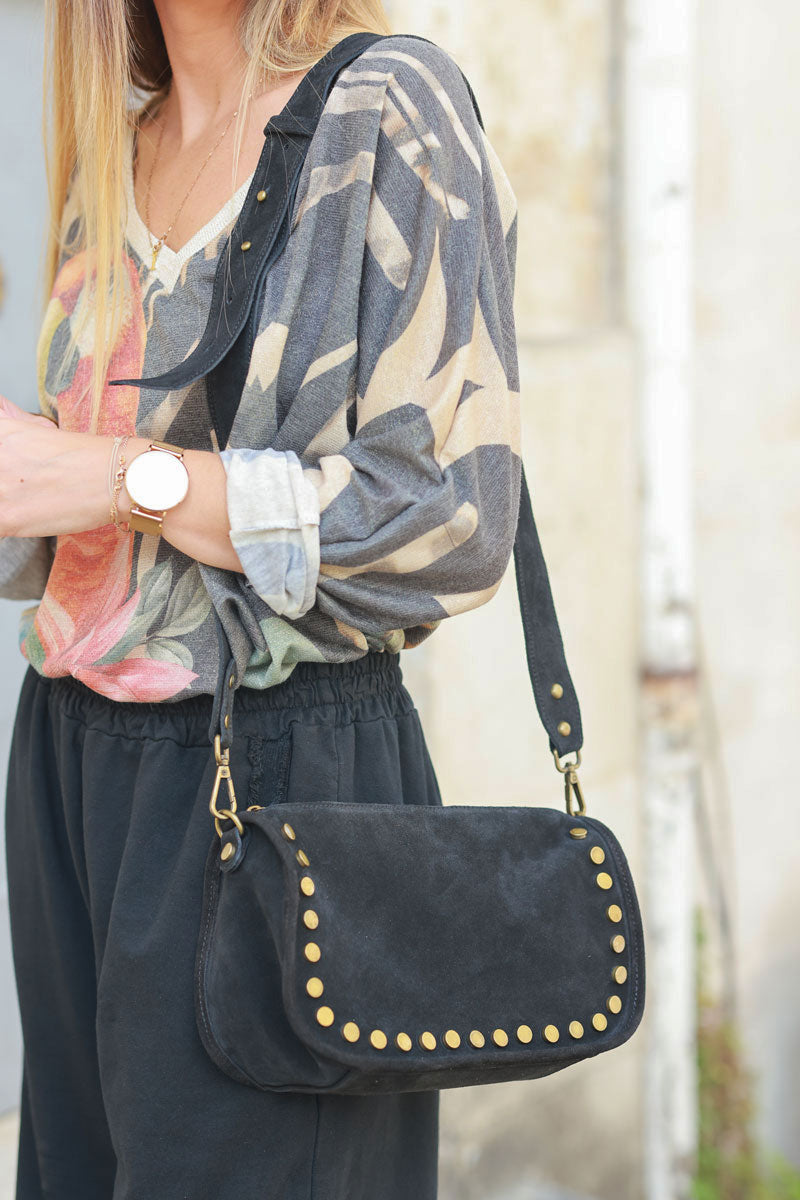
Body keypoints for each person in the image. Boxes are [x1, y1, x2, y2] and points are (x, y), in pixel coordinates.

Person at [0, 0, 522, 1196]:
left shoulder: (390, 107)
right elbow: (80, 511)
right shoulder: (118, 143)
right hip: (73, 762)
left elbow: (446, 516)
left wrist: (121, 476)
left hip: (274, 770)